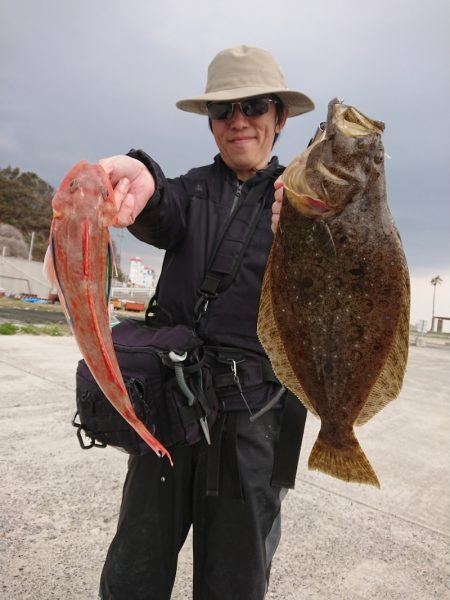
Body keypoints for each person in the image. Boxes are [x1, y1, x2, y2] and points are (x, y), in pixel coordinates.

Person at [98, 45, 314, 600]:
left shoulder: (309, 201)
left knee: (236, 581)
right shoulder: (188, 190)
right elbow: (157, 205)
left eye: (255, 105)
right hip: (170, 410)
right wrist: (139, 177)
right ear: (211, 123)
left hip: (254, 418)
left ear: (279, 116)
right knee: (134, 570)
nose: (239, 120)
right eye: (224, 110)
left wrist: (315, 227)